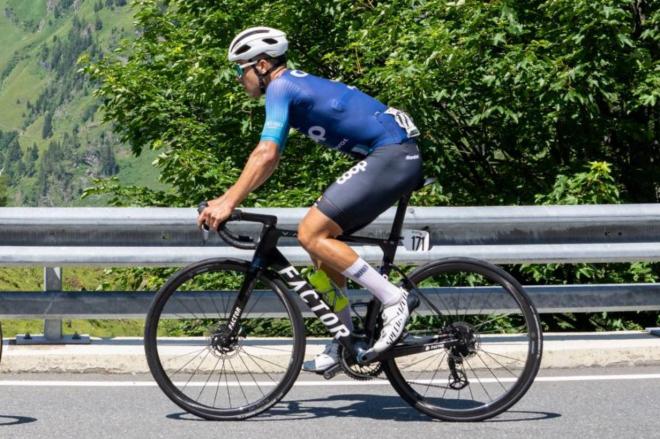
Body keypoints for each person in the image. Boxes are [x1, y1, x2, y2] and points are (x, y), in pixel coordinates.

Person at [197, 26, 423, 372]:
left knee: (310, 233)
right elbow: (268, 163)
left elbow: (266, 154)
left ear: (260, 65)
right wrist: (227, 196)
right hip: (389, 155)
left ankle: (393, 298)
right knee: (319, 248)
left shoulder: (281, 87)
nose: (237, 78)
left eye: (238, 69)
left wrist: (227, 204)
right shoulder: (290, 86)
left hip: (391, 155)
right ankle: (345, 337)